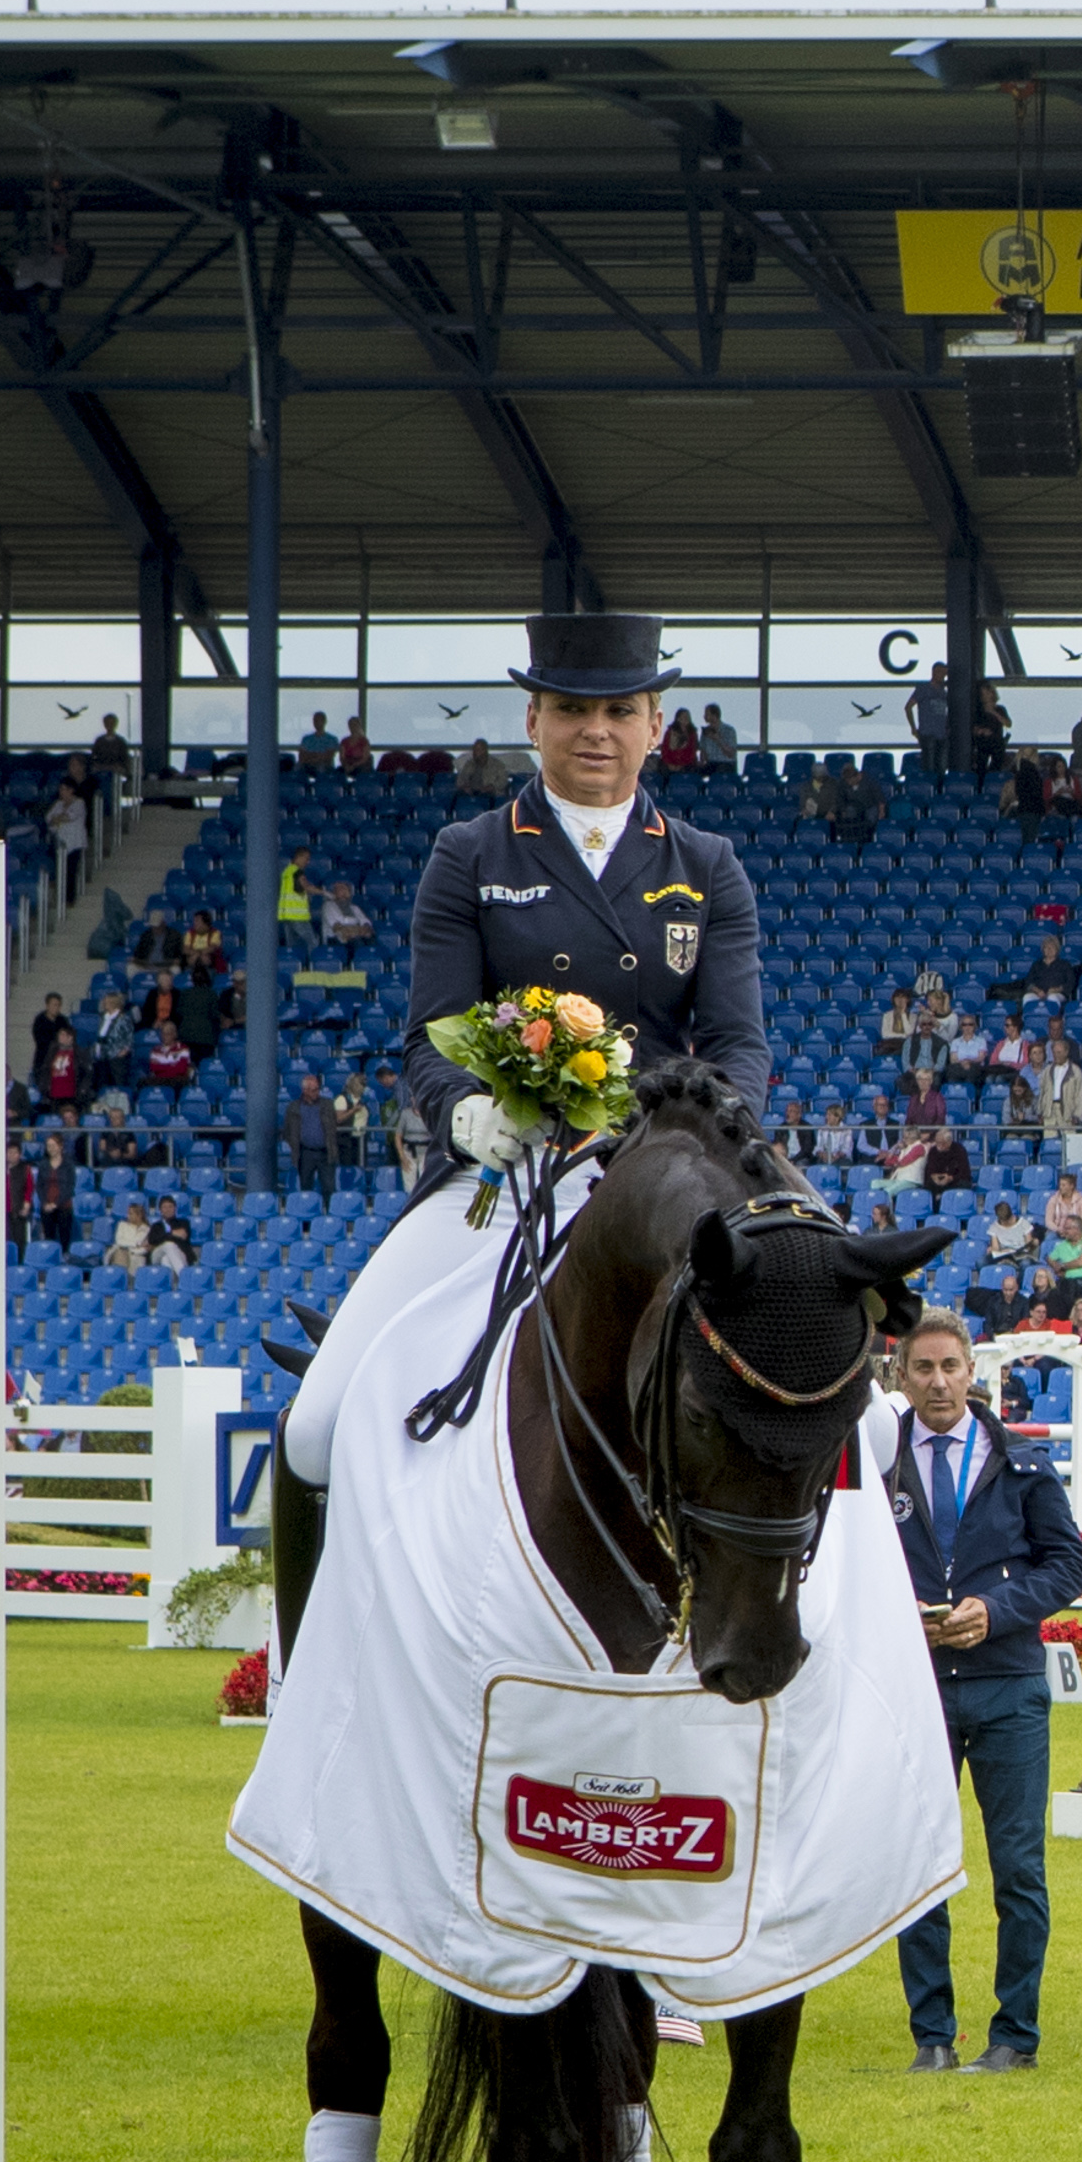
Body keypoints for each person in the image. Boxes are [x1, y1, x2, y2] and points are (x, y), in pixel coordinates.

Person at [268, 613, 772, 1544]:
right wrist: (466, 1118)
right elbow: (429, 1037)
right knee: (319, 1422)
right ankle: (301, 1672)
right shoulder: (471, 854)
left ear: (655, 725)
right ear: (532, 719)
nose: (596, 729)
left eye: (619, 709)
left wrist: (690, 1149)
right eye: (572, 708)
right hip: (504, 1179)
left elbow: (738, 1050)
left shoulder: (706, 866)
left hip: (656, 1181)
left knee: (845, 1403)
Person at [882, 1313, 1082, 2072]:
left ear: (974, 1373)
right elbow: (841, 1560)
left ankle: (1014, 2038)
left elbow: (1069, 1566)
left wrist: (994, 1611)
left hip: (1007, 1687)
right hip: (917, 1689)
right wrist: (896, 1612)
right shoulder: (877, 1466)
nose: (938, 1381)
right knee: (920, 1865)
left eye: (950, 1367)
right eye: (923, 1367)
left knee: (1018, 1869)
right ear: (900, 1376)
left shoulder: (1022, 1462)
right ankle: (931, 2037)